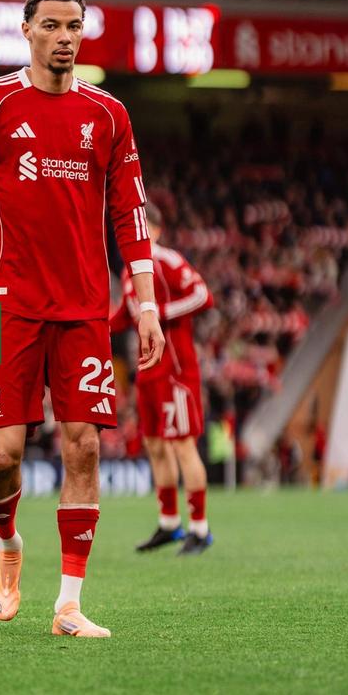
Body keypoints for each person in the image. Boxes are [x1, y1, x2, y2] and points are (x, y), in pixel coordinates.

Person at [0, 0, 164, 637]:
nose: (64, 37)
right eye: (52, 25)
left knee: (84, 444)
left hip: (83, 307)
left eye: (73, 26)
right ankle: (7, 542)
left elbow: (131, 212)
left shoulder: (109, 115)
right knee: (3, 453)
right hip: (6, 303)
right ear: (27, 31)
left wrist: (145, 303)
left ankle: (68, 603)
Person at [110, 203, 214, 555]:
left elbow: (203, 295)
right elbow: (127, 316)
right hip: (147, 372)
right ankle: (170, 523)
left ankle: (200, 528)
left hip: (176, 371)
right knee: (155, 445)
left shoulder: (165, 259)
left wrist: (159, 313)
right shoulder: (130, 270)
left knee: (183, 445)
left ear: (154, 228)